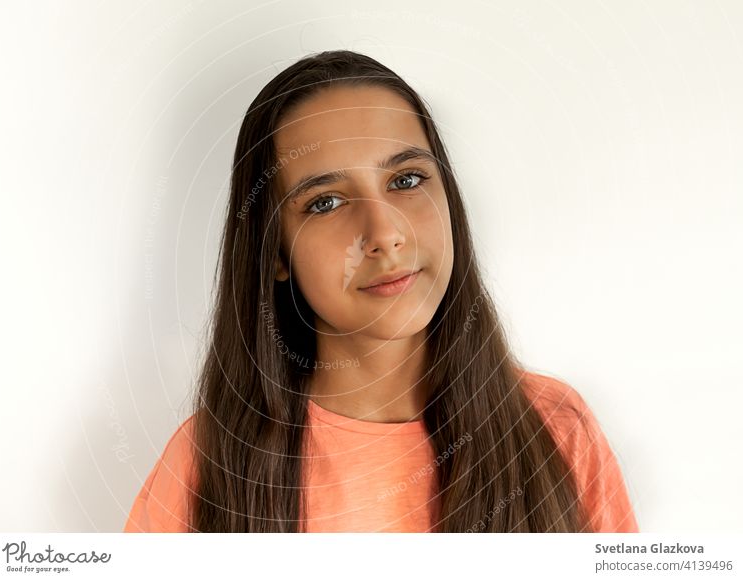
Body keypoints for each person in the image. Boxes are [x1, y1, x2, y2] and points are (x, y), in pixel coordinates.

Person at [123, 49, 638, 533]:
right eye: (325, 202)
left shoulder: (557, 426)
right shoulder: (204, 466)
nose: (385, 233)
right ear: (275, 252)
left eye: (407, 179)